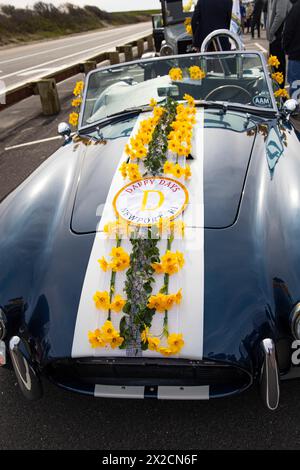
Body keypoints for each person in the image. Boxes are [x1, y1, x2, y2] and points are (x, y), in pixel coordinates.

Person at [267, 0, 292, 85]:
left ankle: (280, 93)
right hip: (275, 36)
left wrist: (271, 32)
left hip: (277, 35)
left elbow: (280, 15)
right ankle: (277, 91)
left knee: (278, 67)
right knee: (274, 67)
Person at [283, 0, 300, 100]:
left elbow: (288, 31)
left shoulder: (295, 8)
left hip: (296, 53)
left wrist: (286, 48)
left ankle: (295, 108)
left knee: (295, 83)